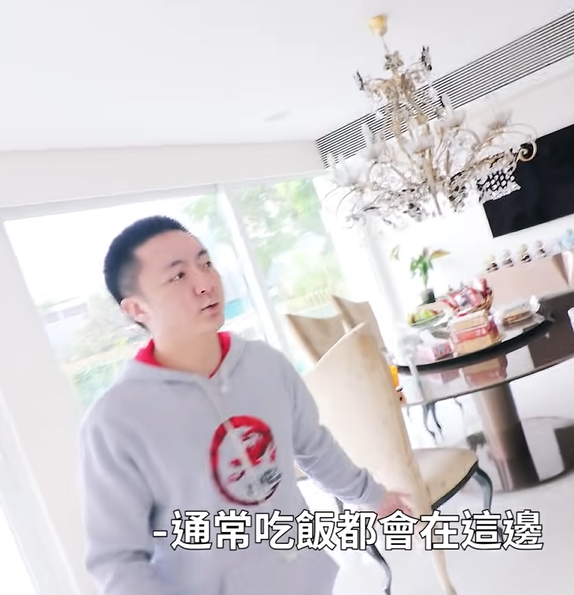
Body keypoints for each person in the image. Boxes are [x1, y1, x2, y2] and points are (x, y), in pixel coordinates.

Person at [79, 215, 410, 595]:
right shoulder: (116, 421)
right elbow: (117, 564)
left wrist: (372, 495)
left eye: (206, 264)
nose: (205, 283)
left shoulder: (264, 364)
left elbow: (313, 447)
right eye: (178, 276)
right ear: (137, 309)